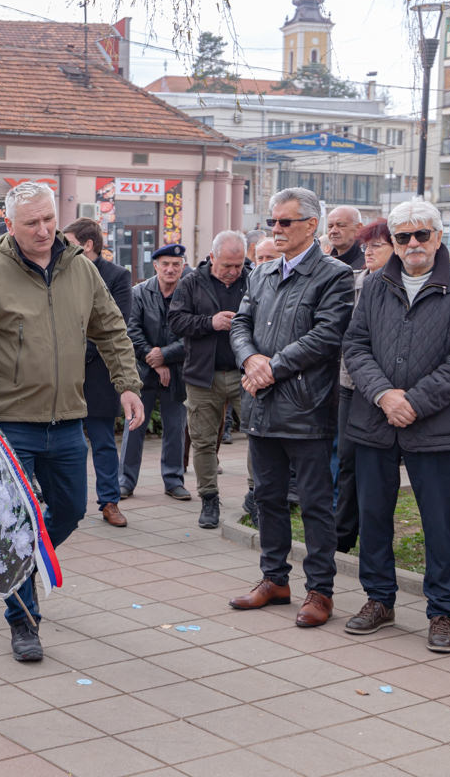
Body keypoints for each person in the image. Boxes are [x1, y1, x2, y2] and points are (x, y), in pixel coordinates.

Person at [0, 181, 143, 662]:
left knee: (71, 510)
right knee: (15, 521)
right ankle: (23, 622)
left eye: (49, 219)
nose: (43, 230)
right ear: (10, 225)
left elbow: (112, 327)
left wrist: (128, 384)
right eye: (31, 222)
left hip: (68, 420)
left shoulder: (81, 269)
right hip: (11, 422)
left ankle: (20, 566)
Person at [343, 199, 450, 654]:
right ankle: (379, 600)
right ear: (395, 242)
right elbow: (356, 346)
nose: (413, 244)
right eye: (403, 237)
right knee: (374, 515)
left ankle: (443, 611)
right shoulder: (376, 282)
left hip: (435, 424)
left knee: (440, 523)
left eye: (422, 234)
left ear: (439, 237)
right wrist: (384, 395)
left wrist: (414, 403)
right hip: (375, 419)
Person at [228, 187, 353, 629]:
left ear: (311, 226)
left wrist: (272, 367)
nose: (276, 229)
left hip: (307, 409)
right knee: (267, 498)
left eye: (285, 222)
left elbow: (326, 336)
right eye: (271, 222)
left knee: (316, 505)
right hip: (262, 405)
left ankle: (320, 590)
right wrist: (249, 359)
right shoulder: (261, 273)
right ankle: (274, 580)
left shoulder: (334, 275)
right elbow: (240, 322)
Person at [167, 231, 249, 528]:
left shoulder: (252, 279)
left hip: (245, 373)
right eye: (227, 265)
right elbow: (175, 321)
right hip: (203, 375)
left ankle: (256, 497)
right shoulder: (191, 282)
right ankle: (209, 498)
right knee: (202, 441)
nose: (232, 271)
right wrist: (210, 322)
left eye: (238, 265)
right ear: (212, 257)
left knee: (259, 437)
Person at [64, 217, 134, 527]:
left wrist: (78, 353)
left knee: (103, 441)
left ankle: (109, 502)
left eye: (68, 242)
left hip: (98, 373)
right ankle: (64, 501)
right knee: (65, 442)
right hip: (63, 374)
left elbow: (117, 324)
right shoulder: (61, 272)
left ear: (87, 244)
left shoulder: (118, 276)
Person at [333, 219, 390, 553]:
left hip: (383, 389)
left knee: (376, 467)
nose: (368, 252)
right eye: (366, 246)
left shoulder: (394, 286)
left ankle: (373, 539)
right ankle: (342, 536)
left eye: (376, 246)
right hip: (348, 383)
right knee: (347, 460)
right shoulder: (351, 281)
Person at [120, 243, 189, 507]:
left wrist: (167, 357)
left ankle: (174, 481)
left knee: (175, 427)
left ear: (182, 266)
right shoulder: (138, 292)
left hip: (178, 372)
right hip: (143, 372)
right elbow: (130, 330)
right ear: (156, 266)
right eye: (165, 264)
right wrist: (154, 359)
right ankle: (125, 480)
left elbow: (191, 334)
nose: (170, 269)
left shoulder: (189, 293)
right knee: (134, 425)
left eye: (176, 264)